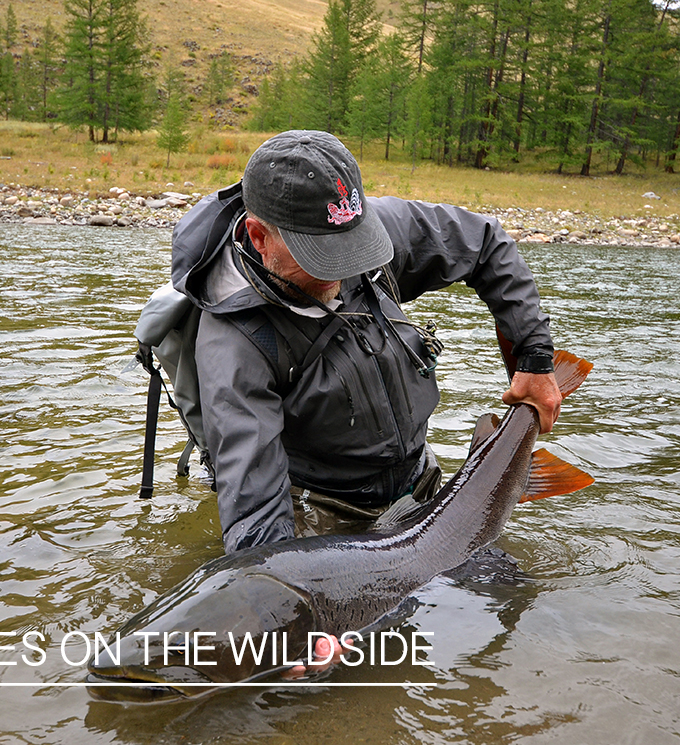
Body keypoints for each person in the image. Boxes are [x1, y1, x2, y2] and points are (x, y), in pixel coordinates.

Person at [170, 130, 560, 555]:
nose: (343, 270)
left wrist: (535, 358)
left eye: (353, 247)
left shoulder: (354, 225)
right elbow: (256, 514)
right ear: (259, 237)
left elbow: (485, 242)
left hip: (421, 486)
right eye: (323, 257)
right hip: (327, 514)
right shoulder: (235, 344)